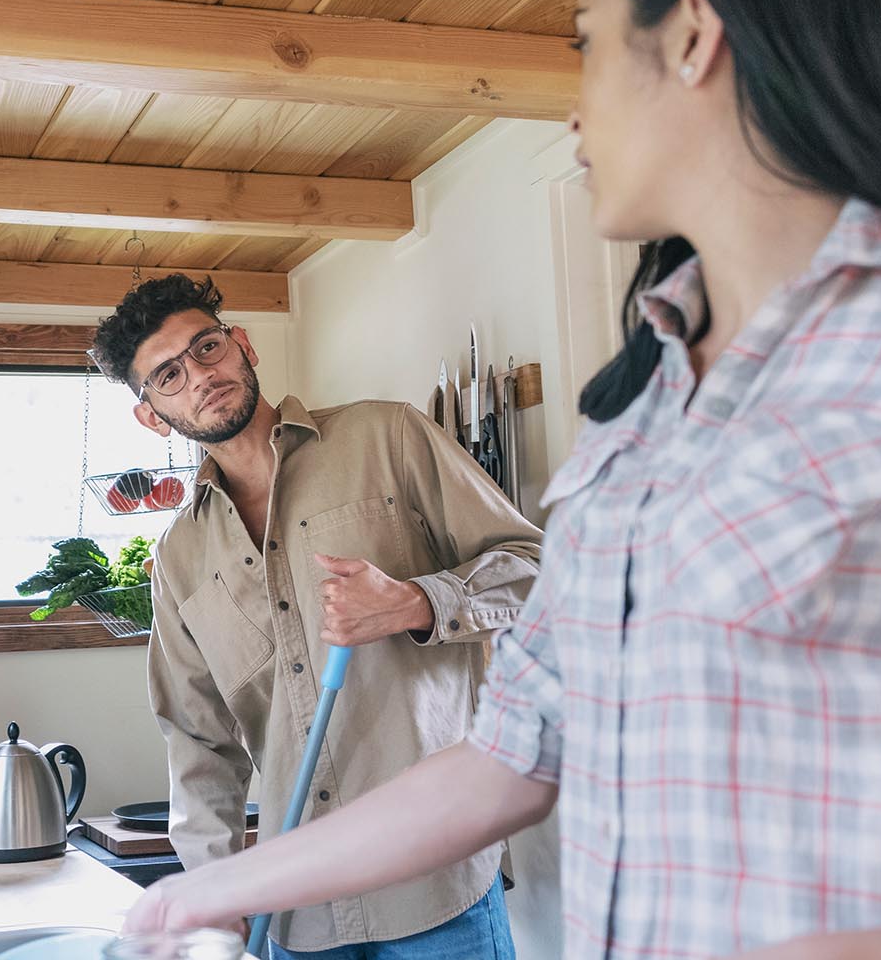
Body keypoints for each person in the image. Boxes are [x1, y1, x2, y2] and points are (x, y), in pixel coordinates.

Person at [120, 0, 881, 957]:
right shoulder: (638, 408)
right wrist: (203, 894)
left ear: (691, 34)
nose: (571, 109)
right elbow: (507, 760)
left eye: (581, 43)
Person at [88, 274, 543, 959]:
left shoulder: (387, 436)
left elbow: (538, 569)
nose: (201, 377)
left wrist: (418, 601)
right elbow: (196, 742)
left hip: (437, 890)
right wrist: (218, 890)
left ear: (242, 346)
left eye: (208, 348)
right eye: (169, 375)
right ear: (152, 414)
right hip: (300, 921)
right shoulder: (180, 556)